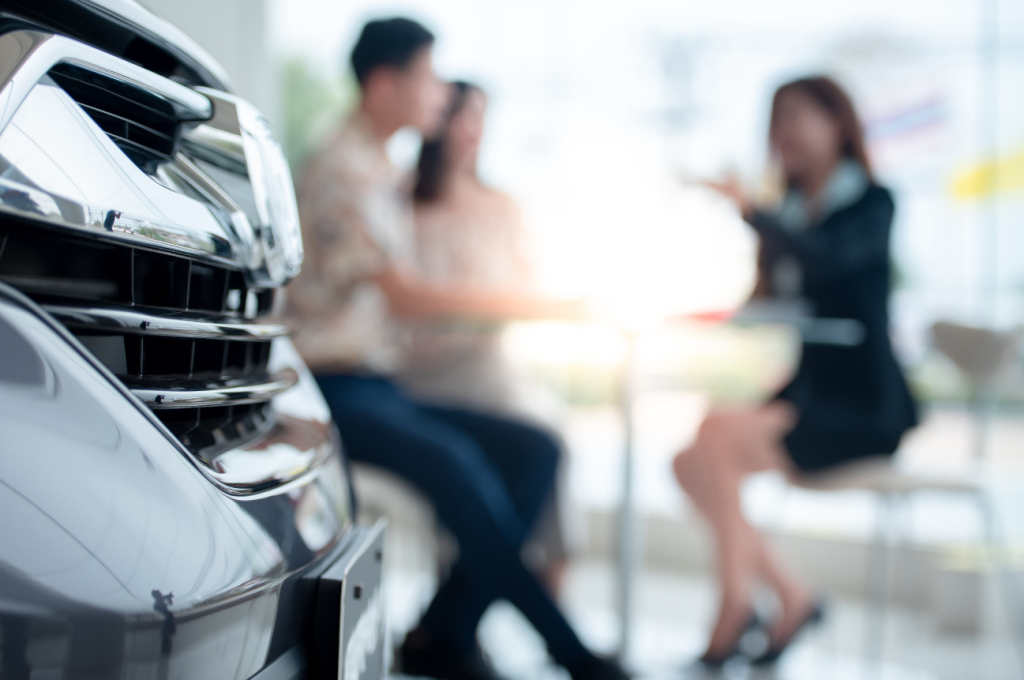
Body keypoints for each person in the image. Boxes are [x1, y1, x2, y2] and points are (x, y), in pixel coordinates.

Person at [284, 18, 625, 680]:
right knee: (457, 461)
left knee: (538, 448)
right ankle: (571, 652)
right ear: (385, 84)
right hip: (333, 385)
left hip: (380, 384)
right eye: (430, 77)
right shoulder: (340, 168)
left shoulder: (381, 167)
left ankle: (444, 629)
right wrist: (535, 304)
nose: (442, 95)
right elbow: (404, 295)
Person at [674, 76, 919, 667]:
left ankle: (735, 606)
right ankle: (792, 595)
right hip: (810, 392)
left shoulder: (871, 202)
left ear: (838, 123)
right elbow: (772, 298)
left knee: (714, 438)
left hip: (865, 404)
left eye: (798, 117)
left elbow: (829, 261)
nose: (785, 132)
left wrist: (754, 212)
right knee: (688, 464)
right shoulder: (788, 211)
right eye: (777, 119)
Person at [399, 80, 573, 594]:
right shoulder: (397, 200)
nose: (472, 131)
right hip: (414, 375)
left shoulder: (501, 207)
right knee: (499, 450)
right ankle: (467, 614)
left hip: (488, 368)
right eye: (460, 117)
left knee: (547, 434)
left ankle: (547, 593)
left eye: (480, 118)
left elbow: (526, 291)